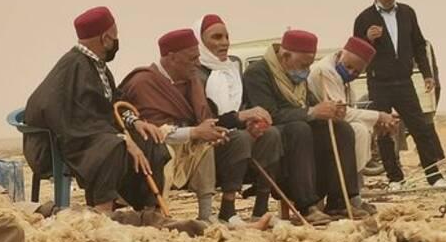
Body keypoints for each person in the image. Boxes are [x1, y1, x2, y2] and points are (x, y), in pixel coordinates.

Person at [120, 28, 272, 228]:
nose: (197, 64)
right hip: (154, 149)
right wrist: (195, 132)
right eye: (192, 59)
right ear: (171, 58)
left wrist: (212, 131)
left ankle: (209, 214)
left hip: (188, 147)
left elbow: (204, 120)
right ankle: (154, 212)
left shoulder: (192, 80)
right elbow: (150, 131)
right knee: (168, 148)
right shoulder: (144, 82)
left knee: (225, 141)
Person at [24, 6, 170, 215]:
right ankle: (103, 211)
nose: (117, 41)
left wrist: (135, 122)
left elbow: (111, 104)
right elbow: (80, 117)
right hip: (66, 141)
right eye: (115, 36)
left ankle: (149, 210)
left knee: (149, 141)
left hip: (93, 134)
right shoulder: (74, 66)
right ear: (105, 38)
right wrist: (121, 137)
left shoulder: (96, 65)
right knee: (114, 147)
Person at [243, 30, 366, 223]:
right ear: (284, 56)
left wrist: (331, 112)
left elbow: (310, 104)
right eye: (303, 65)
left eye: (309, 65)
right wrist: (312, 112)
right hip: (273, 134)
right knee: (299, 128)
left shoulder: (298, 78)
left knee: (341, 129)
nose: (306, 70)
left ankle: (340, 201)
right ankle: (307, 206)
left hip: (300, 131)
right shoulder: (258, 73)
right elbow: (269, 114)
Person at [353, 0, 446, 190]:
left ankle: (434, 176)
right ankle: (395, 179)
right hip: (379, 83)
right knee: (385, 132)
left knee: (420, 128)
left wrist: (427, 74)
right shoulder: (364, 19)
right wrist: (367, 39)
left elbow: (418, 44)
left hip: (404, 82)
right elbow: (356, 52)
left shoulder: (407, 13)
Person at [194, 14, 284, 224]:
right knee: (239, 139)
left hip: (233, 136)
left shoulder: (231, 71)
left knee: (270, 135)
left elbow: (240, 110)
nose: (224, 43)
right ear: (201, 41)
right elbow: (207, 119)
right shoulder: (195, 74)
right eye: (216, 37)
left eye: (226, 37)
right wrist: (241, 118)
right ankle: (228, 210)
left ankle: (261, 210)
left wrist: (251, 123)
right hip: (207, 142)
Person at [309, 36, 394, 213]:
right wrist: (378, 116)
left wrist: (377, 123)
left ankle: (351, 194)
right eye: (349, 66)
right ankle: (344, 197)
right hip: (316, 126)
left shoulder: (344, 78)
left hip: (336, 127)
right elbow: (342, 113)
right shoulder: (325, 71)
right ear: (341, 54)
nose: (351, 72)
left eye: (357, 71)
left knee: (361, 130)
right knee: (357, 130)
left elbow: (348, 111)